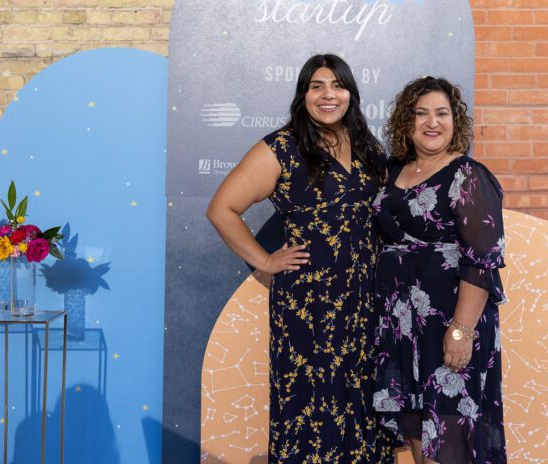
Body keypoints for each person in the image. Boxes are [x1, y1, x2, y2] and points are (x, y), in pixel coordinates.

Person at [207, 54, 393, 463]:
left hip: (366, 301)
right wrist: (266, 260)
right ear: (303, 94)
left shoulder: (367, 145)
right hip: (310, 304)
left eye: (337, 86)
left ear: (351, 93)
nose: (329, 95)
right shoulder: (282, 147)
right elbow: (222, 209)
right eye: (317, 86)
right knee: (311, 407)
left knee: (363, 406)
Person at [372, 76, 507, 463]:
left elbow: (481, 259)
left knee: (448, 438)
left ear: (455, 121)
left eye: (442, 113)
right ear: (406, 122)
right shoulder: (394, 170)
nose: (433, 123)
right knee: (415, 432)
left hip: (448, 323)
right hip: (400, 326)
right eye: (421, 113)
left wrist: (461, 331)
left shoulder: (467, 175)